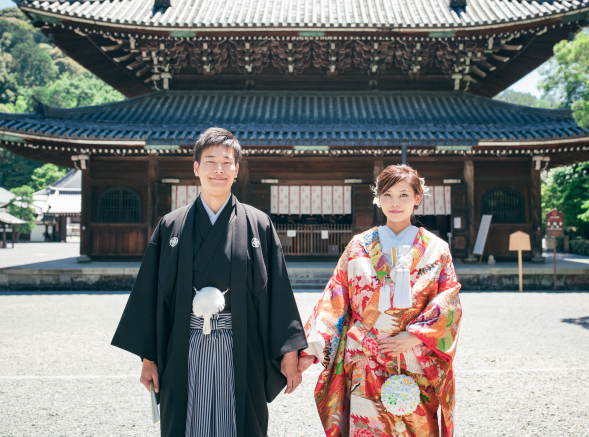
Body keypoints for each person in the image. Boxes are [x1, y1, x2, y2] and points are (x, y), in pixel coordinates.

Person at [111, 127, 307, 437]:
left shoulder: (258, 223)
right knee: (186, 422)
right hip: (183, 343)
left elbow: (278, 293)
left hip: (241, 344)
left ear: (237, 169)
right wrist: (148, 359)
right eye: (210, 161)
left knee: (241, 422)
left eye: (227, 162)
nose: (219, 169)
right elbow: (151, 294)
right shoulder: (171, 225)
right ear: (196, 168)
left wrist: (289, 352)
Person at [298, 164, 462, 437]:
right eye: (387, 195)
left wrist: (417, 337)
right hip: (365, 358)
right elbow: (335, 299)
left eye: (404, 195)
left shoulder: (436, 249)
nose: (395, 202)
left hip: (416, 358)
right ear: (378, 198)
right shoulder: (358, 246)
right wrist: (310, 350)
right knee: (368, 428)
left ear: (418, 198)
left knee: (417, 428)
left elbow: (449, 302)